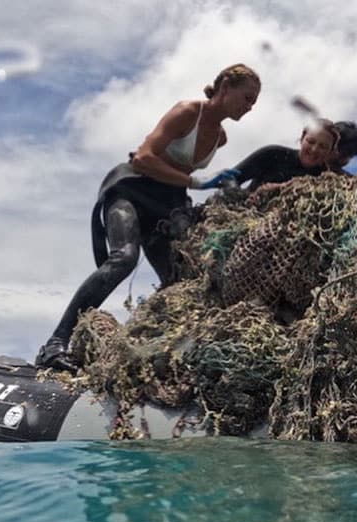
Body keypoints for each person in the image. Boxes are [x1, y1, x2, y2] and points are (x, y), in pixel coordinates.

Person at [35, 64, 261, 372]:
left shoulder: (220, 138)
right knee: (124, 258)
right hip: (131, 190)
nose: (249, 107)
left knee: (178, 281)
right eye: (246, 98)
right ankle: (56, 343)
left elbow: (179, 176)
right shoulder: (187, 112)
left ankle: (159, 355)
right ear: (225, 88)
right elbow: (144, 158)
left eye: (254, 102)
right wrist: (198, 182)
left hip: (164, 207)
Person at [227, 118, 344, 191]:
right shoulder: (273, 155)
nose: (314, 150)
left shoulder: (329, 180)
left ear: (330, 152)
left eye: (323, 147)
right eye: (311, 141)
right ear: (302, 138)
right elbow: (231, 178)